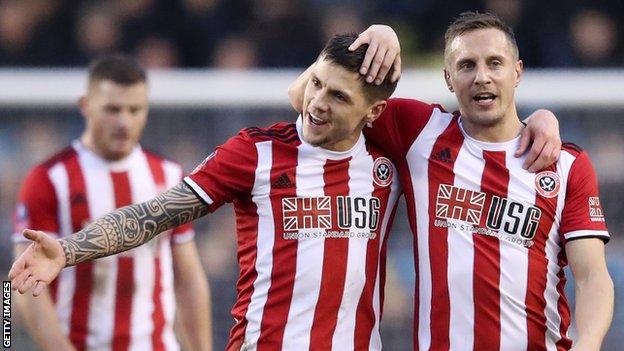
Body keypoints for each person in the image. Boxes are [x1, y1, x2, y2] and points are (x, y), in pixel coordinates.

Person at [9, 31, 559, 350]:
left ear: (374, 114)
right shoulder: (256, 151)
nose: (317, 102)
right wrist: (72, 248)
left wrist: (541, 116)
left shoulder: (396, 157)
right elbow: (157, 212)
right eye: (315, 84)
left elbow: (485, 131)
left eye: (339, 97)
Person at [291, 14, 614, 351]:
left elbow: (592, 277)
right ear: (448, 78)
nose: (482, 77)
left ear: (517, 71)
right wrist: (375, 36)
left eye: (494, 63)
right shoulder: (419, 132)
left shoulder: (565, 164)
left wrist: (587, 344)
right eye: (466, 65)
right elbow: (305, 101)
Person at [11, 55, 212, 351]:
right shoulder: (49, 179)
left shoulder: (168, 175)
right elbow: (19, 287)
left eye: (135, 110)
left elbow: (189, 276)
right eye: (113, 110)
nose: (124, 122)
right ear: (85, 105)